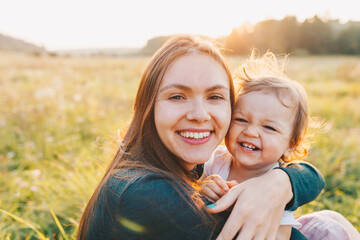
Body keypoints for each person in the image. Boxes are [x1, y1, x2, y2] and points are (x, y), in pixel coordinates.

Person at [77, 35, 325, 240]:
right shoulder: (150, 194)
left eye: (215, 97)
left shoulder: (175, 169)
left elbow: (314, 178)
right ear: (148, 105)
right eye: (177, 96)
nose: (199, 115)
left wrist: (282, 182)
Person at [201, 52, 360, 240]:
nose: (251, 132)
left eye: (269, 127)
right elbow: (196, 188)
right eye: (241, 119)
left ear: (291, 144)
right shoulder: (217, 160)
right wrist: (206, 186)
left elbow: (283, 236)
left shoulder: (276, 189)